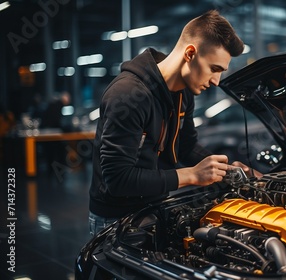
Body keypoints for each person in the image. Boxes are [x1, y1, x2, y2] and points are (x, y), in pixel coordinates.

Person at [89, 10, 261, 237]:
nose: (216, 81)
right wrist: (191, 175)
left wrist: (228, 170)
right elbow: (118, 180)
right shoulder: (128, 95)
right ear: (190, 53)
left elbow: (186, 146)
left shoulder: (183, 93)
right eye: (214, 69)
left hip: (155, 205)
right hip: (115, 218)